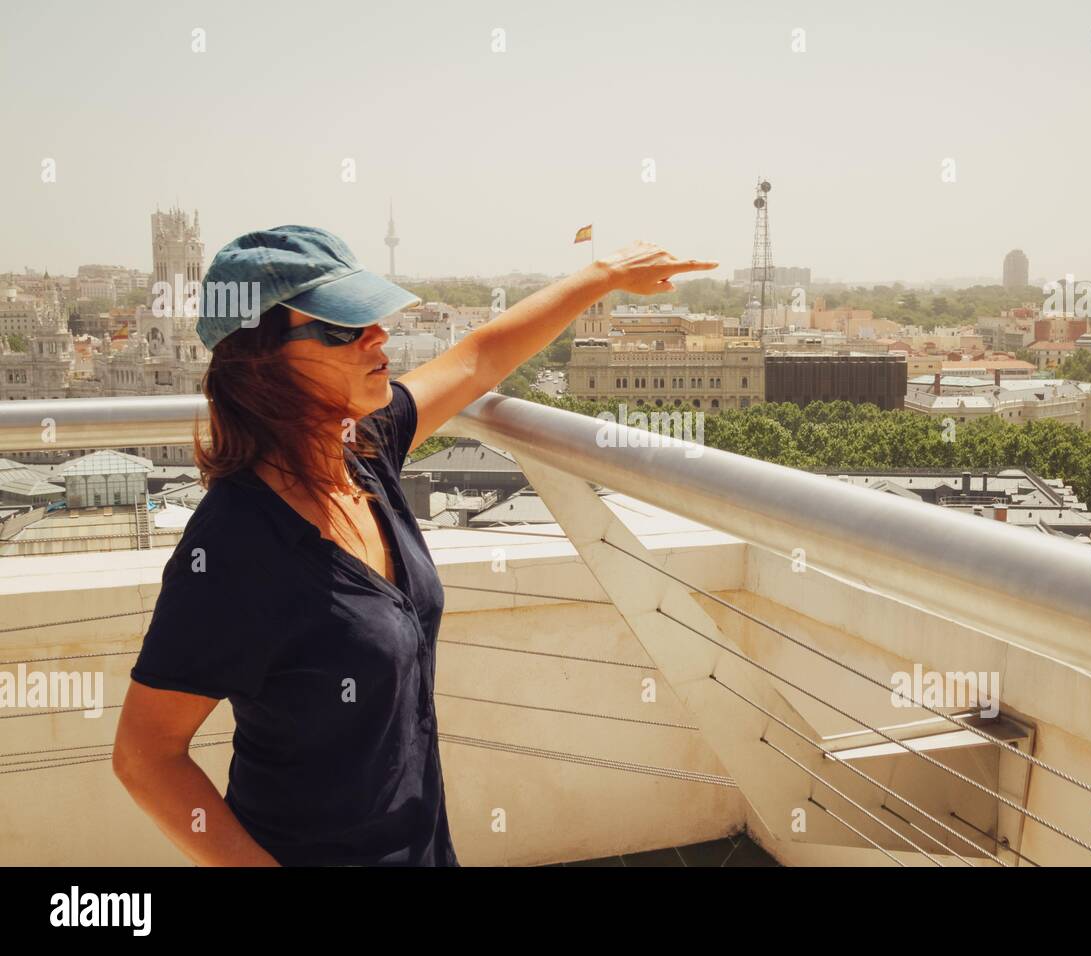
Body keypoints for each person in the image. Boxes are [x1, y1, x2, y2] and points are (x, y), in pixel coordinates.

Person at [111, 225, 716, 866]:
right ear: (261, 360)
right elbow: (145, 756)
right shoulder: (233, 547)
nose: (379, 336)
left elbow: (478, 359)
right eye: (343, 328)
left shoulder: (362, 452)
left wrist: (604, 276)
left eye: (370, 317)